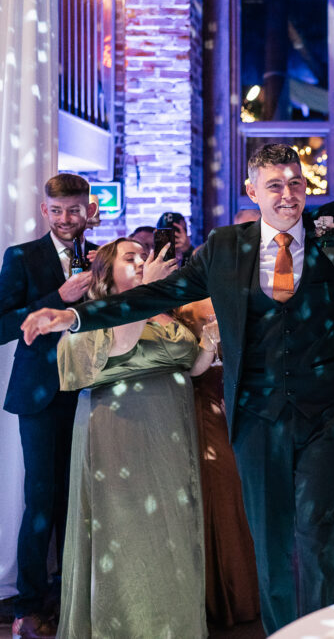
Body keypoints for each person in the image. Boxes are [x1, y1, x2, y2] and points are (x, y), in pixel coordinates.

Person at [20, 132, 334, 632]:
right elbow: (151, 295)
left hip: (328, 413)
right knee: (270, 543)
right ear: (253, 192)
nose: (288, 194)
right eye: (275, 185)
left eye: (296, 182)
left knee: (318, 535)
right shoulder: (226, 249)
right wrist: (74, 318)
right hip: (256, 416)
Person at [55, 238, 214, 637]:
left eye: (145, 257)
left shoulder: (163, 313)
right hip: (118, 430)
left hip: (170, 430)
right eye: (131, 258)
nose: (143, 262)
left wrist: (213, 337)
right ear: (106, 272)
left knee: (170, 529)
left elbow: (192, 366)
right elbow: (120, 346)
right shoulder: (94, 314)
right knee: (124, 528)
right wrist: (147, 291)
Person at [0, 173, 97, 639]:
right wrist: (57, 299)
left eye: (74, 210)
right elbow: (0, 325)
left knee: (79, 499)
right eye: (56, 211)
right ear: (44, 211)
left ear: (89, 209)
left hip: (90, 393)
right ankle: (28, 605)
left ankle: (72, 597)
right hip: (39, 394)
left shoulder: (102, 258)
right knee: (40, 499)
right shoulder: (20, 258)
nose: (65, 220)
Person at [177, 296, 261, 628]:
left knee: (235, 499)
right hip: (202, 415)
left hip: (233, 417)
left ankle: (238, 594)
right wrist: (210, 340)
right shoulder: (188, 309)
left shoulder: (235, 301)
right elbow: (191, 368)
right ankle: (214, 599)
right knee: (217, 495)